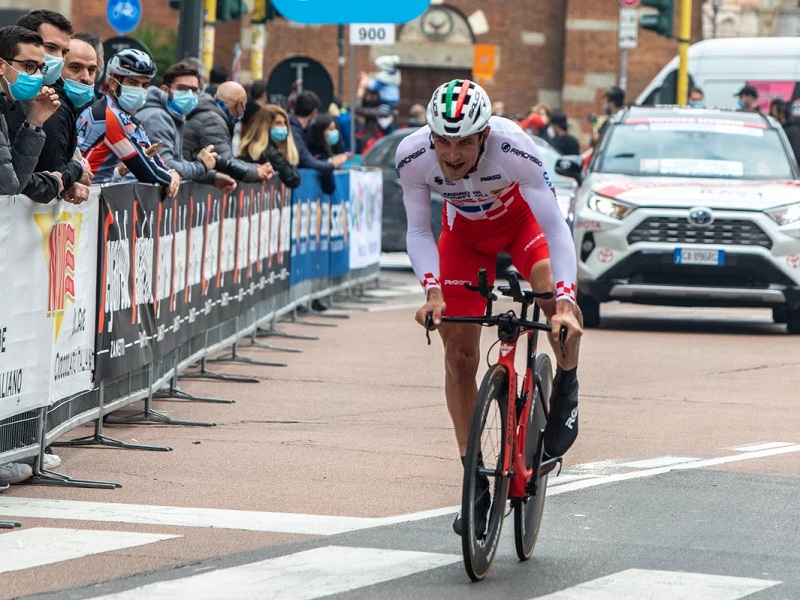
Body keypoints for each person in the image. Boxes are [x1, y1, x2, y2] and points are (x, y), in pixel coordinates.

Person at [395, 79, 583, 536]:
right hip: (463, 239)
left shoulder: (514, 148)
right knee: (458, 356)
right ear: (430, 135)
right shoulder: (412, 156)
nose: (452, 154)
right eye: (443, 141)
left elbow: (557, 230)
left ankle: (567, 389)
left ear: (484, 136)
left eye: (464, 142)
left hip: (524, 228)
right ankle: (474, 480)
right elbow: (419, 232)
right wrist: (433, 292)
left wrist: (565, 302)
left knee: (552, 301)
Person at [9, 12, 94, 205]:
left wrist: (68, 176)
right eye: (50, 48)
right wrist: (74, 171)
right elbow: (12, 182)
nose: (57, 59)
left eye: (63, 52)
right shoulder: (27, 100)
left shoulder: (46, 100)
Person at [77, 49, 180, 196]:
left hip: (93, 193)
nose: (140, 90)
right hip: (85, 198)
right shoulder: (110, 117)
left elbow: (148, 151)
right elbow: (143, 170)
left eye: (145, 85)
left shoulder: (121, 113)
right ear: (113, 83)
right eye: (133, 82)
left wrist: (171, 171)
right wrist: (171, 178)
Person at [136, 60, 236, 193]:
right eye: (182, 88)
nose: (189, 95)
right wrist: (202, 165)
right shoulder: (158, 117)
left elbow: (179, 162)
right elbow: (166, 166)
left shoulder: (174, 116)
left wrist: (212, 177)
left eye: (194, 90)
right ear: (165, 90)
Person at [0, 25, 60, 197]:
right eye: (30, 65)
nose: (38, 75)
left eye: (41, 68)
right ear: (2, 66)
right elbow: (7, 186)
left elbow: (14, 185)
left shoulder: (4, 106)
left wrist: (34, 122)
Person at [182, 80, 274, 184]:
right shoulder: (213, 120)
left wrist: (255, 168)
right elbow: (225, 162)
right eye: (243, 106)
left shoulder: (209, 114)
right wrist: (257, 172)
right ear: (239, 104)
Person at [289, 90, 349, 194]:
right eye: (330, 129)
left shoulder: (300, 131)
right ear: (314, 112)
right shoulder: (295, 132)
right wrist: (331, 164)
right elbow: (306, 161)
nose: (334, 132)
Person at [238, 104, 300, 189]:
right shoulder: (271, 154)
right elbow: (293, 180)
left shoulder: (250, 148)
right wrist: (289, 161)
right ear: (265, 126)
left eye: (285, 123)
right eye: (278, 123)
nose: (284, 127)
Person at [769, 98, 800, 164]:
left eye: (773, 115)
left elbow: (796, 156)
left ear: (781, 113)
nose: (771, 118)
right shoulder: (772, 131)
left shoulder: (793, 132)